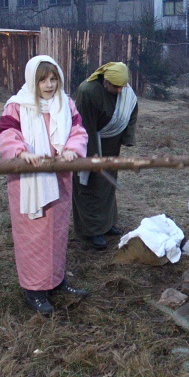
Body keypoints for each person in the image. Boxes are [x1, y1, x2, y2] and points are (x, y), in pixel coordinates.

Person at [0, 55, 89, 315]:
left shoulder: (66, 104)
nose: (49, 85)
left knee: (57, 233)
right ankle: (34, 289)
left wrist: (72, 149)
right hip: (28, 180)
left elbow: (78, 131)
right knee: (33, 235)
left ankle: (57, 281)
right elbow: (7, 133)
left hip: (59, 177)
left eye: (53, 79)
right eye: (42, 80)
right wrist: (20, 152)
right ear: (32, 81)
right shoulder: (18, 105)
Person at [72, 62, 138, 250]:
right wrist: (93, 158)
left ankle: (107, 224)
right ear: (105, 80)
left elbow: (132, 106)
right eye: (115, 87)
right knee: (90, 184)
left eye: (121, 87)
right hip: (90, 143)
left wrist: (126, 137)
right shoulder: (88, 92)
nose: (119, 91)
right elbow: (84, 127)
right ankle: (92, 230)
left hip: (112, 144)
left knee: (108, 185)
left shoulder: (123, 89)